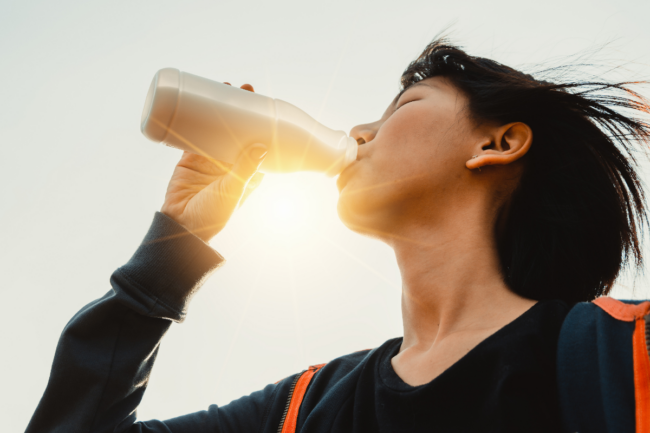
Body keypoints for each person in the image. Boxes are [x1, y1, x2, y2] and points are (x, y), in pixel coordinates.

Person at [26, 38, 650, 433]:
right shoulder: (305, 409)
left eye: (403, 107)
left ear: (497, 142)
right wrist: (175, 244)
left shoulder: (621, 355)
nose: (357, 131)